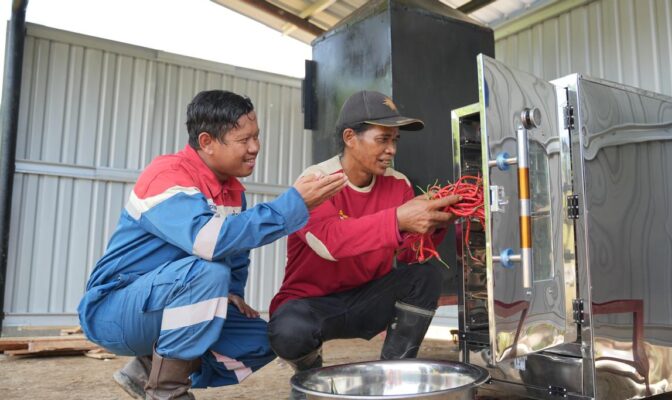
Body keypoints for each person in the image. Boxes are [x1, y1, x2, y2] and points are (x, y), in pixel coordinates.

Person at [77, 90, 347, 400]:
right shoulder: (166, 176)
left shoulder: (232, 192)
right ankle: (167, 393)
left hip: (167, 300)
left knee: (265, 341)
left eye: (256, 136)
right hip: (114, 310)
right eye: (244, 140)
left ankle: (148, 369)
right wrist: (292, 205)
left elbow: (236, 255)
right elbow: (211, 242)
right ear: (206, 142)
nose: (255, 147)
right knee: (208, 272)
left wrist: (232, 292)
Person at [267, 90, 460, 390]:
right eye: (382, 139)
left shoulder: (398, 184)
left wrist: (434, 224)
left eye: (395, 140)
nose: (391, 150)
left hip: (367, 300)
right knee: (289, 332)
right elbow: (330, 242)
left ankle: (393, 379)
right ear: (350, 137)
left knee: (425, 276)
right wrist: (397, 219)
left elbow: (409, 255)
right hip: (312, 304)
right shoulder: (315, 181)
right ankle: (308, 374)